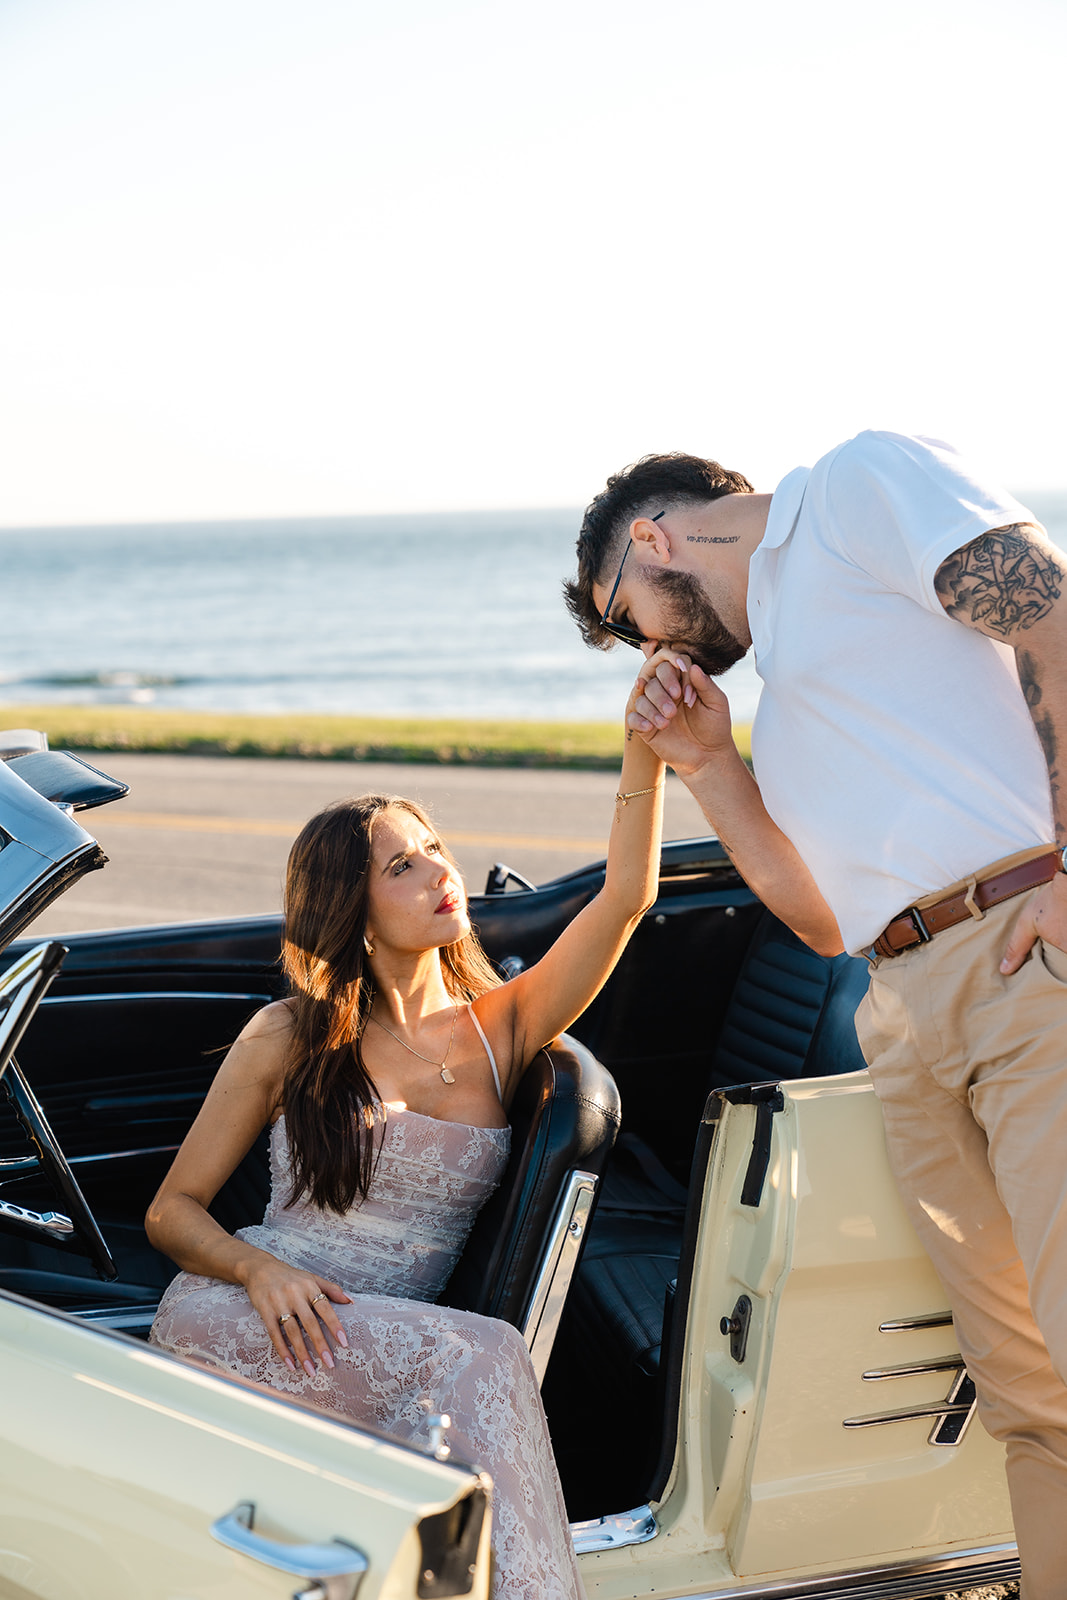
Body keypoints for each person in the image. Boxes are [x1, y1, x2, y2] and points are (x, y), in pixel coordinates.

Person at [564, 430, 1067, 1599]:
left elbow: (1049, 612)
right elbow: (820, 920)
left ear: (652, 539)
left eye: (626, 615)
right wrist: (704, 760)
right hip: (905, 1010)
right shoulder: (781, 692)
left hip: (1018, 950)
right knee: (1022, 1392)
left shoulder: (851, 488)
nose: (644, 644)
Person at [145, 677, 664, 1600]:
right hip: (257, 1320)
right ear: (351, 904)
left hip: (399, 1340)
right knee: (490, 1355)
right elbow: (171, 1213)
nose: (439, 875)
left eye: (435, 852)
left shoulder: (504, 1028)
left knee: (470, 1372)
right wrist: (258, 1271)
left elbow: (625, 896)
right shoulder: (289, 1033)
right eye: (402, 868)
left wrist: (645, 750)